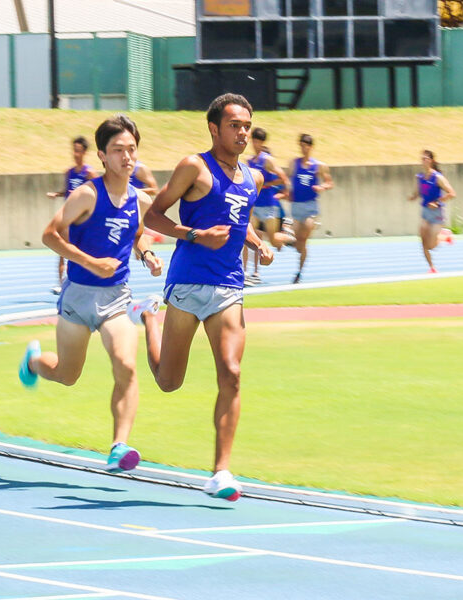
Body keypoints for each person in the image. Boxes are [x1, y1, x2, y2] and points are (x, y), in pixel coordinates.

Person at [137, 93, 274, 501]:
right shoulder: (194, 166)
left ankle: (221, 472)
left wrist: (258, 243)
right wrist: (194, 234)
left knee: (231, 373)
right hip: (187, 282)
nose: (243, 132)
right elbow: (153, 216)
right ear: (214, 128)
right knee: (168, 382)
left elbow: (238, 221)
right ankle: (148, 320)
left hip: (229, 287)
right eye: (235, 125)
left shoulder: (255, 178)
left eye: (247, 125)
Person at [19, 115, 163, 473]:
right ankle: (35, 362)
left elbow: (138, 232)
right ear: (102, 155)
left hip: (116, 298)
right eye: (118, 150)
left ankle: (119, 446)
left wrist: (146, 253)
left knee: (127, 366)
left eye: (131, 150)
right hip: (79, 297)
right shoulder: (86, 195)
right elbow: (51, 235)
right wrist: (90, 262)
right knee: (68, 375)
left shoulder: (139, 199)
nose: (126, 157)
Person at [47, 136, 97, 294]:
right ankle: (62, 283)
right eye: (74, 151)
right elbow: (67, 190)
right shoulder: (69, 172)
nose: (76, 154)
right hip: (68, 216)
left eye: (79, 151)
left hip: (83, 219)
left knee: (81, 251)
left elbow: (99, 192)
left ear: (85, 153)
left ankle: (83, 281)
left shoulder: (89, 173)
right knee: (62, 250)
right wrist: (57, 194)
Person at [244, 129, 292, 285]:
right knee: (247, 237)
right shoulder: (249, 161)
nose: (255, 144)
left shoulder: (267, 160)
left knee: (273, 240)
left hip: (270, 206)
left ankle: (288, 236)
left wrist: (268, 185)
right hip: (256, 205)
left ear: (263, 143)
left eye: (258, 142)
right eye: (253, 141)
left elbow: (283, 178)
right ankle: (247, 273)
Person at [288, 133, 333, 284]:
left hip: (310, 207)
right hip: (296, 206)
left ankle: (299, 272)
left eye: (306, 146)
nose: (304, 149)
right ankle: (298, 247)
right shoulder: (294, 163)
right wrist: (285, 192)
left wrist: (321, 187)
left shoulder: (318, 166)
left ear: (311, 147)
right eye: (301, 146)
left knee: (304, 236)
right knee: (298, 243)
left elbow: (329, 183)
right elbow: (287, 181)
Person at [408, 150, 456, 273]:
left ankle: (445, 236)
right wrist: (413, 197)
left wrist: (437, 202)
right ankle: (432, 267)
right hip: (425, 212)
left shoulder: (438, 177)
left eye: (426, 159)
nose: (423, 161)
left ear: (431, 161)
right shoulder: (420, 177)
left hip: (436, 214)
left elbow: (452, 193)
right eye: (422, 159)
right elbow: (418, 191)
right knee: (423, 241)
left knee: (432, 245)